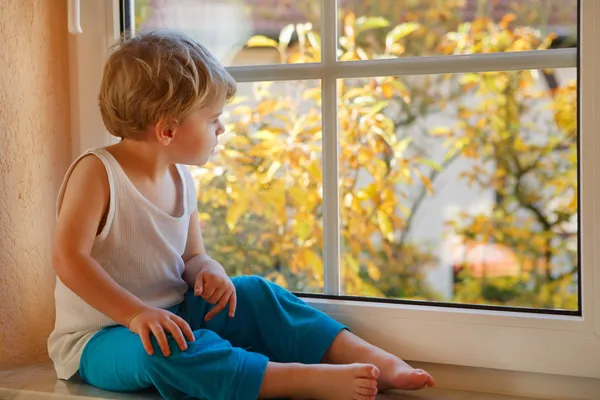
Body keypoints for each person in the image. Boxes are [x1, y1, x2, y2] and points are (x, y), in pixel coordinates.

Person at [47, 29, 435, 400]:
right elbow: (69, 260)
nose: (223, 127)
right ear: (167, 129)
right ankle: (297, 380)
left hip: (175, 315)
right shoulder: (97, 174)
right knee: (166, 351)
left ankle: (373, 359)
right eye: (213, 118)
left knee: (254, 292)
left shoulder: (180, 178)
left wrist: (208, 270)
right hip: (101, 339)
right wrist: (135, 315)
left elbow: (191, 258)